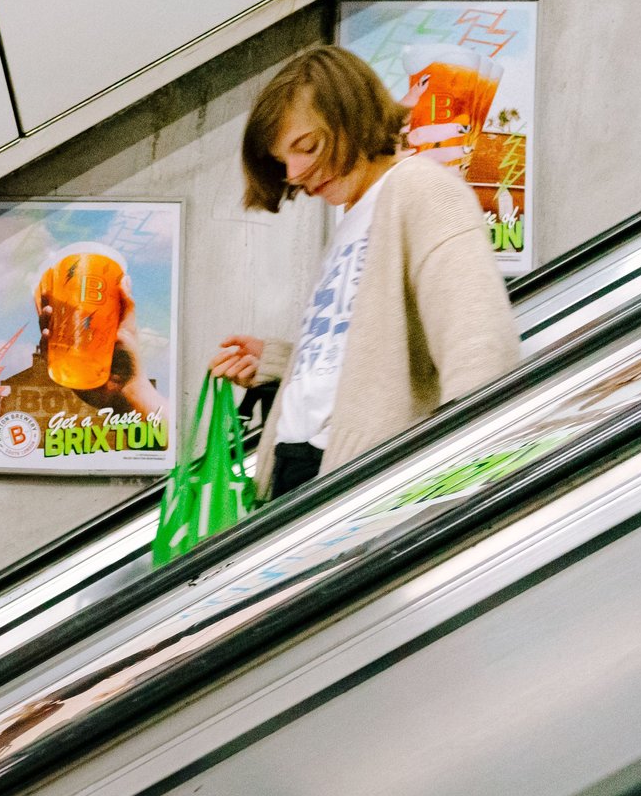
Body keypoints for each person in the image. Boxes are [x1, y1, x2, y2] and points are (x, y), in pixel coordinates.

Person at [211, 44, 521, 499]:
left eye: (307, 147)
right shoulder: (353, 217)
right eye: (283, 161)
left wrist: (466, 484)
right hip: (304, 469)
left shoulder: (421, 189)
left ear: (351, 116)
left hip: (362, 483)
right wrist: (279, 363)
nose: (294, 173)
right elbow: (363, 356)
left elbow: (479, 347)